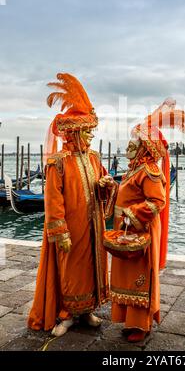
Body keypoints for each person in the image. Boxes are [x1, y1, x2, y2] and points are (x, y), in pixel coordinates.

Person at [28, 73, 117, 336]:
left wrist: (107, 184)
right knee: (71, 269)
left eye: (91, 131)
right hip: (72, 227)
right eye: (87, 131)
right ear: (74, 132)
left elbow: (102, 181)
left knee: (91, 266)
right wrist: (60, 231)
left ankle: (87, 310)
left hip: (93, 224)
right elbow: (52, 200)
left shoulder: (93, 157)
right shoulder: (58, 162)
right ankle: (66, 314)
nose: (90, 136)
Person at [110, 98, 185, 342]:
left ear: (145, 147)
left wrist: (132, 215)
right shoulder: (133, 169)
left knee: (139, 278)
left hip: (139, 230)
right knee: (125, 276)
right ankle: (128, 319)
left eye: (135, 141)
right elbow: (125, 193)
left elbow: (158, 202)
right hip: (125, 232)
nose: (130, 144)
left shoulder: (150, 171)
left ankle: (141, 324)